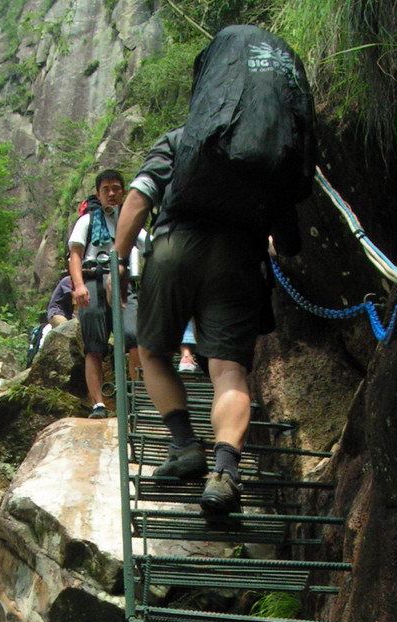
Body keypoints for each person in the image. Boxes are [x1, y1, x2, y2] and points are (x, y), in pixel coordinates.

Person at [110, 25, 315, 514]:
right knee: (228, 371)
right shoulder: (271, 152)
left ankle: (185, 446)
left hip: (175, 245)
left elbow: (138, 199)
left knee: (153, 352)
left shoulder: (183, 140)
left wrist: (118, 258)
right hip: (239, 257)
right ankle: (224, 474)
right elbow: (289, 239)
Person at [68, 170, 141, 418]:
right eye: (106, 189)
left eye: (116, 188)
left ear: (123, 192)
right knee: (94, 346)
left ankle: (137, 398)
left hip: (123, 282)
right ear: (98, 193)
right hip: (92, 280)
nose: (111, 193)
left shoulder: (131, 221)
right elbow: (75, 255)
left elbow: (148, 246)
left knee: (134, 337)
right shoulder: (87, 221)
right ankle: (99, 404)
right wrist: (79, 286)